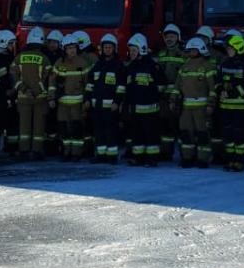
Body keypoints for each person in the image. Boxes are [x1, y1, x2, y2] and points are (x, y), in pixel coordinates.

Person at [215, 32, 244, 172]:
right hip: (225, 105)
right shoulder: (224, 63)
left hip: (240, 106)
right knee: (227, 134)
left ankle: (239, 160)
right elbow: (218, 81)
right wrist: (221, 90)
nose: (228, 51)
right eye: (227, 49)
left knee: (239, 133)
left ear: (238, 48)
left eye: (231, 48)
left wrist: (231, 90)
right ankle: (230, 159)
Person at [122, 33, 165, 166]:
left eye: (134, 50)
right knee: (136, 133)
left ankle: (152, 158)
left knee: (151, 134)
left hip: (150, 108)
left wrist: (149, 95)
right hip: (135, 108)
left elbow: (162, 85)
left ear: (142, 49)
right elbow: (127, 88)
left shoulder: (153, 66)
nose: (132, 53)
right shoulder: (130, 67)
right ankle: (138, 157)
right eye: (130, 50)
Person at [174, 37, 217, 168]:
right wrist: (173, 100)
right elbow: (177, 87)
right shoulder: (184, 67)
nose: (191, 52)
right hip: (186, 107)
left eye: (194, 50)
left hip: (202, 107)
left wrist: (211, 104)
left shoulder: (208, 66)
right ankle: (187, 158)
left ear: (201, 50)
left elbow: (213, 88)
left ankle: (203, 159)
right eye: (190, 50)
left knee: (202, 133)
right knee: (186, 133)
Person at [52, 31, 95, 161]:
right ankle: (66, 152)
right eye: (69, 48)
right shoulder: (59, 63)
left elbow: (89, 84)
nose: (72, 51)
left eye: (74, 48)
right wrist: (51, 98)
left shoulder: (83, 63)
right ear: (64, 49)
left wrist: (87, 100)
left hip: (78, 103)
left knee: (77, 129)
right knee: (64, 129)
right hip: (62, 103)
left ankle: (76, 153)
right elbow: (52, 82)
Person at [14, 30, 52, 160]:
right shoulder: (45, 59)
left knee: (24, 125)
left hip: (23, 98)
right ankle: (37, 151)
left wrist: (24, 89)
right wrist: (37, 90)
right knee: (39, 126)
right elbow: (48, 78)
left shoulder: (19, 57)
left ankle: (23, 151)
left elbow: (13, 76)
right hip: (40, 98)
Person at [88, 34, 125, 163]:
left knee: (111, 131)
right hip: (97, 106)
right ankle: (100, 155)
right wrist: (88, 100)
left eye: (110, 47)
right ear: (102, 49)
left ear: (114, 49)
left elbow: (121, 86)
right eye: (105, 47)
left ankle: (112, 156)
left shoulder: (118, 66)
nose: (107, 49)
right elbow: (90, 84)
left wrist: (117, 102)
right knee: (99, 131)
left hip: (111, 106)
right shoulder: (98, 65)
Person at [155, 24, 188, 160]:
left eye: (172, 36)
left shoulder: (184, 54)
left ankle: (184, 154)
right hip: (163, 97)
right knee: (164, 125)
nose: (169, 39)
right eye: (167, 36)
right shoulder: (161, 54)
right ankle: (165, 152)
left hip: (178, 96)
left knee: (180, 126)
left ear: (178, 38)